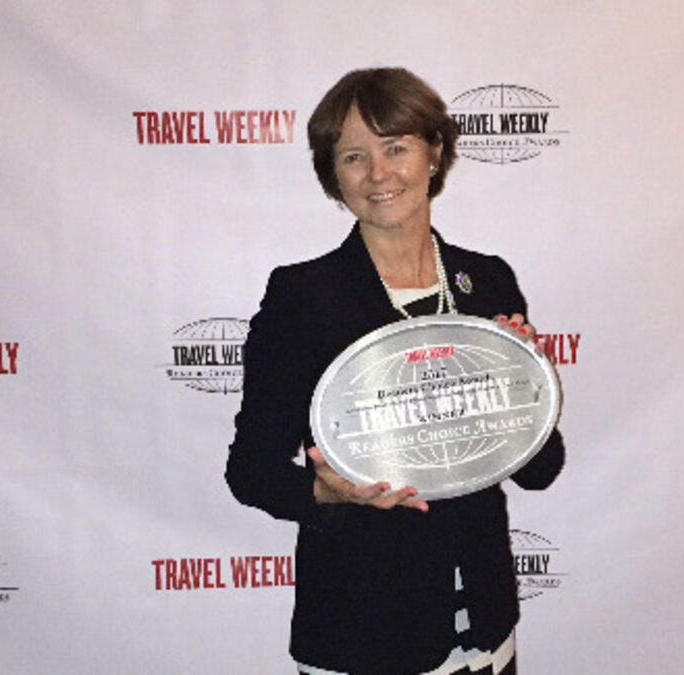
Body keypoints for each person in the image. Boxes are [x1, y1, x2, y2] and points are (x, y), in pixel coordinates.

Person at [226, 67, 564, 675]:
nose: (378, 173)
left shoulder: (487, 282)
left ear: (434, 152)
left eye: (395, 147)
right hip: (362, 634)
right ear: (334, 176)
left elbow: (542, 469)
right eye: (353, 156)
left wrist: (522, 384)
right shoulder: (303, 298)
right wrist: (322, 493)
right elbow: (250, 471)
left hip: (486, 630)